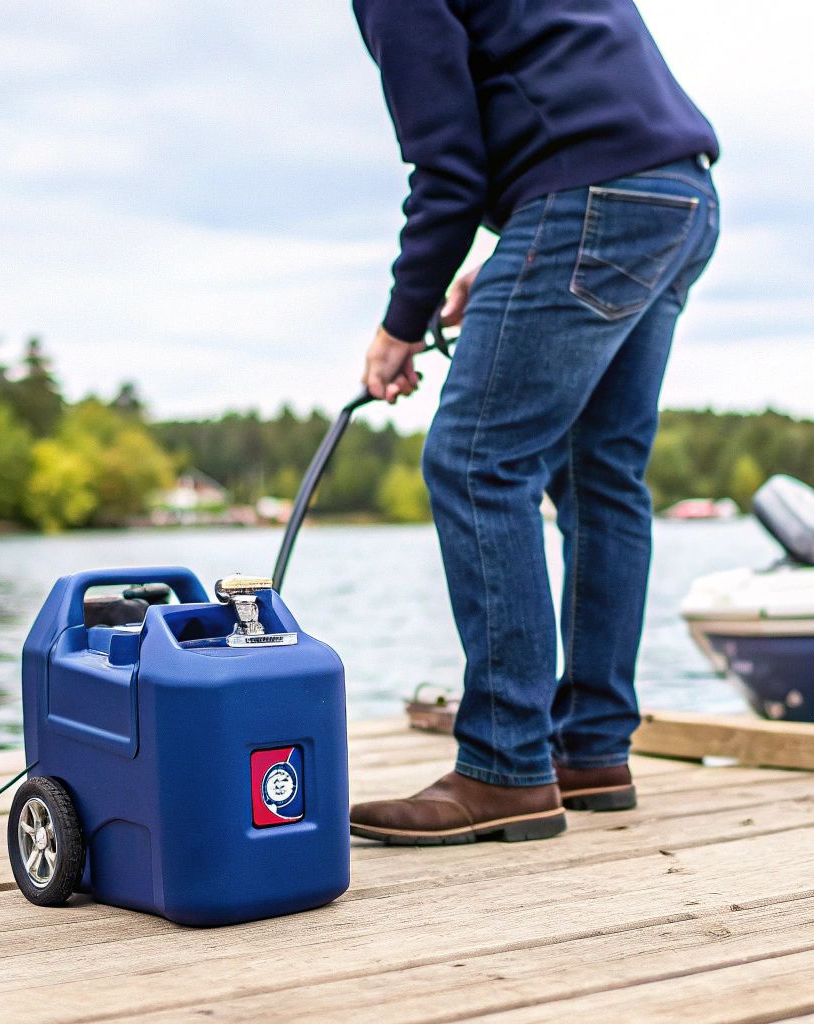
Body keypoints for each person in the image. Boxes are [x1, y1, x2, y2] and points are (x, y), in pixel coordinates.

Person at [346, 0, 721, 845]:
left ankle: (505, 767)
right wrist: (517, 248)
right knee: (602, 478)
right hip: (679, 193)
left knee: (477, 462)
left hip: (591, 194)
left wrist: (399, 324)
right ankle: (590, 752)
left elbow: (447, 168)